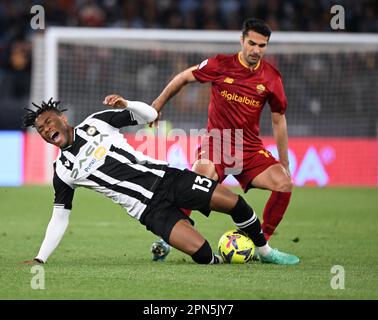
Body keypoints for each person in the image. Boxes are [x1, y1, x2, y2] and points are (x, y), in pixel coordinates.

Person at [22, 95, 299, 265]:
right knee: (202, 255)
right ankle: (220, 257)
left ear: (62, 118)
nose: (46, 130)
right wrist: (40, 258)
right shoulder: (62, 170)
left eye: (48, 122)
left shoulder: (98, 122)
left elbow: (151, 116)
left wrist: (127, 104)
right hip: (150, 212)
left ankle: (264, 250)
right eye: (41, 130)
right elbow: (60, 217)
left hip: (168, 179)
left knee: (236, 204)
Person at [151, 18, 293, 257]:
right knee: (198, 179)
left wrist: (285, 163)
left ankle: (263, 246)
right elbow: (183, 77)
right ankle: (167, 239)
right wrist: (157, 104)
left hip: (248, 147)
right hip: (217, 142)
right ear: (242, 40)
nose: (256, 50)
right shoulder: (220, 65)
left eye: (262, 45)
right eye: (252, 43)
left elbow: (278, 119)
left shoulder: (271, 78)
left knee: (284, 183)